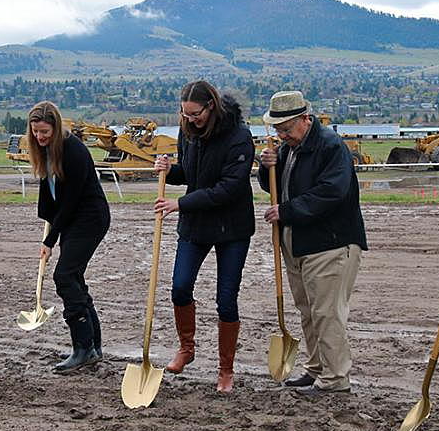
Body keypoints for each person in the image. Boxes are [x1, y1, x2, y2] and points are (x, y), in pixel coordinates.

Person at [258, 90, 367, 397]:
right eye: (278, 130)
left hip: (331, 243)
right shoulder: (288, 148)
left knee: (327, 312)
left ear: (305, 119)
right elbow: (275, 187)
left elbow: (332, 192)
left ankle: (335, 378)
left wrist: (287, 211)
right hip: (298, 241)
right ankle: (317, 368)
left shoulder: (331, 147)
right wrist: (267, 168)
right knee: (308, 310)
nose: (282, 136)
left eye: (286, 130)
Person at [154, 80, 254, 393]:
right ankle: (187, 348)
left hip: (231, 227)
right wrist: (169, 170)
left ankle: (226, 370)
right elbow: (190, 172)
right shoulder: (188, 132)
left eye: (195, 114)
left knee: (226, 299)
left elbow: (228, 188)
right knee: (180, 287)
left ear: (210, 107)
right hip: (195, 225)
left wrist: (180, 203)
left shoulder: (239, 137)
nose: (190, 120)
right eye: (185, 115)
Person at [29, 101, 111, 373]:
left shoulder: (73, 150)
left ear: (55, 126)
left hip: (89, 217)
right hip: (72, 218)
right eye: (35, 132)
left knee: (64, 276)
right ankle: (94, 347)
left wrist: (50, 240)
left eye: (44, 132)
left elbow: (72, 200)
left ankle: (82, 347)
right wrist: (48, 223)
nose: (40, 137)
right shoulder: (45, 152)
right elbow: (49, 194)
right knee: (73, 277)